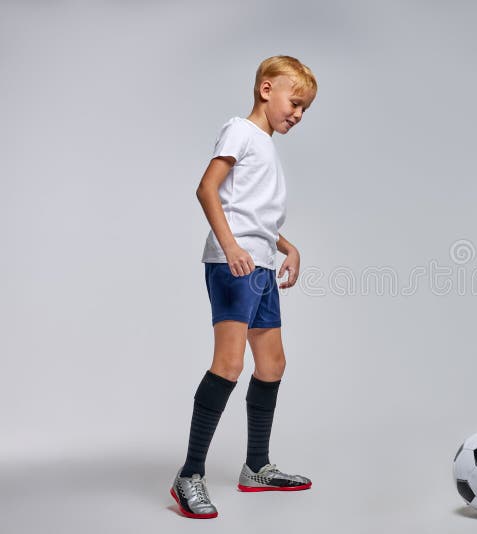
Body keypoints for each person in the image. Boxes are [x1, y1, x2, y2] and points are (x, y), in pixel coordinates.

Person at [170, 55, 318, 519]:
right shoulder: (240, 130)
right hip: (232, 265)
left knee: (272, 364)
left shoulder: (265, 144)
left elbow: (254, 215)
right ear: (266, 89)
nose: (297, 114)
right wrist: (231, 246)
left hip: (261, 264)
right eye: (295, 103)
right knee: (229, 364)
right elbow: (207, 189)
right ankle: (189, 474)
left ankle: (256, 466)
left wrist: (287, 246)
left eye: (304, 109)